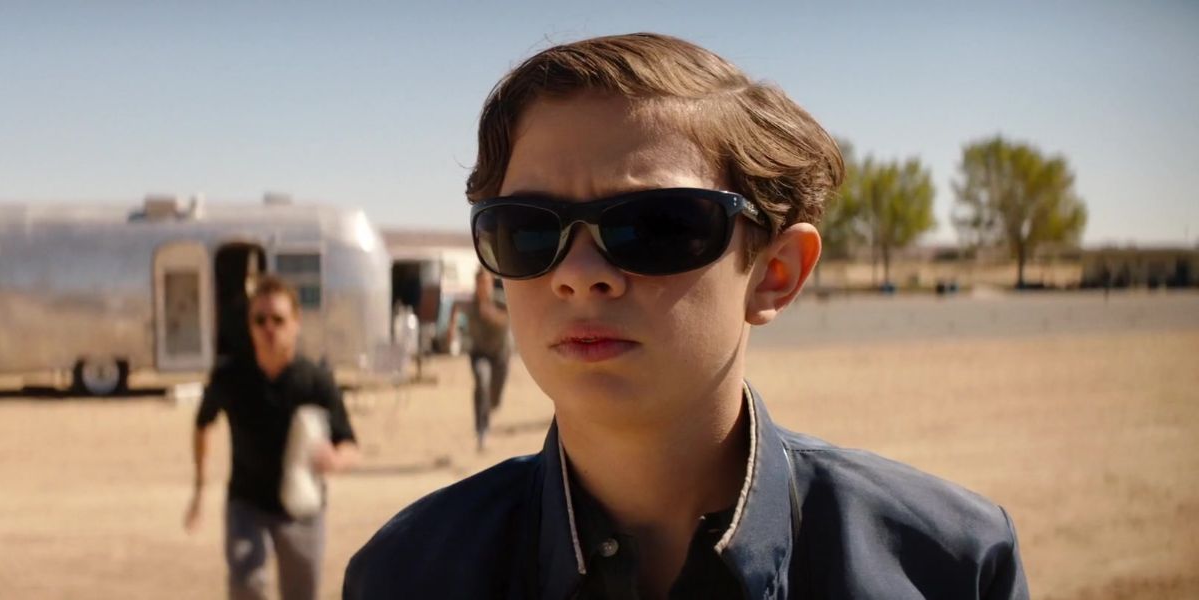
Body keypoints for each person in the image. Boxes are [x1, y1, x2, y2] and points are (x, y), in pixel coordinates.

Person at [345, 33, 1028, 599]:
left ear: (775, 273)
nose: (579, 274)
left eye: (656, 226)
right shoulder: (408, 573)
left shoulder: (949, 568)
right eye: (527, 230)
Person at [184, 275, 358, 600]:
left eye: (278, 319)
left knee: (301, 594)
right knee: (246, 585)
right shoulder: (232, 376)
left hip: (302, 508)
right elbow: (203, 423)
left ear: (296, 323)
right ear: (249, 326)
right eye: (259, 320)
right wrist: (199, 488)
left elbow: (350, 445)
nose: (268, 328)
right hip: (246, 503)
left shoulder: (315, 381)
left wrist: (335, 459)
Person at [447, 268, 511, 451]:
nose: (483, 287)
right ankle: (481, 430)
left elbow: (510, 319)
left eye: (486, 283)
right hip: (479, 353)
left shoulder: (500, 300)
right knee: (482, 382)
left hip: (500, 355)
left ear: (491, 283)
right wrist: (452, 328)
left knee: (494, 399)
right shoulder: (470, 302)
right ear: (476, 284)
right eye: (480, 283)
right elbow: (455, 305)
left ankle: (489, 407)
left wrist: (493, 315)